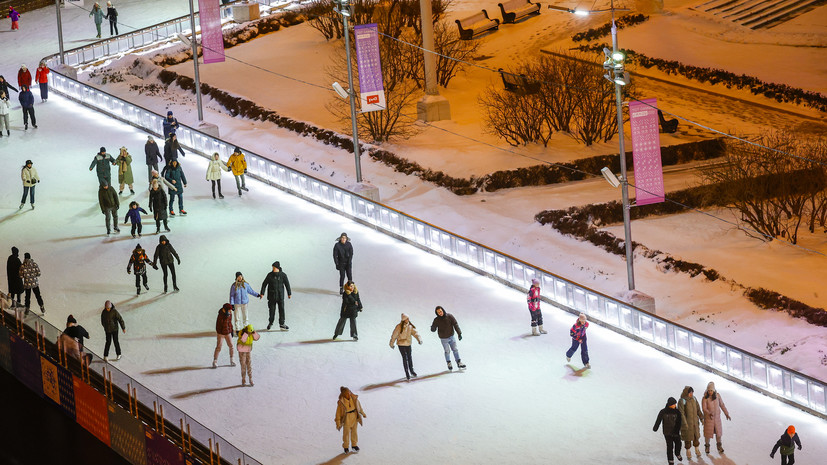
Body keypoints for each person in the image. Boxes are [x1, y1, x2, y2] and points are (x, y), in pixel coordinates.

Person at [430, 305, 465, 370]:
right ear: (437, 313)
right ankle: (449, 363)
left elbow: (455, 324)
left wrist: (459, 333)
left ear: (443, 310)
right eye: (438, 312)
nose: (440, 313)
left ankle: (459, 362)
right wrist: (432, 328)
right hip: (443, 338)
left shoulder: (449, 316)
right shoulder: (436, 320)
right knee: (447, 351)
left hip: (451, 336)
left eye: (440, 311)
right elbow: (433, 327)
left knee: (455, 349)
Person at [260, 261, 291, 330]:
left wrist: (289, 293)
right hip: (272, 297)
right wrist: (262, 293)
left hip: (280, 296)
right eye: (272, 267)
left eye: (274, 267)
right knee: (271, 311)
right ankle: (270, 323)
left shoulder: (283, 275)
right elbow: (264, 284)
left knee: (281, 310)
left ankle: (282, 324)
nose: (273, 268)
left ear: (277, 268)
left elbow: (287, 284)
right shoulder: (269, 275)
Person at [389, 313, 422, 380]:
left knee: (409, 357)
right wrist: (391, 343)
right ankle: (407, 372)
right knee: (405, 358)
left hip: (408, 344)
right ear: (403, 320)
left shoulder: (410, 326)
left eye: (408, 318)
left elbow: (415, 333)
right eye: (406, 318)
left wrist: (419, 339)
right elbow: (394, 335)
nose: (408, 319)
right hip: (401, 345)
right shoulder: (398, 327)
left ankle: (411, 371)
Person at [701, 381, 731, 454]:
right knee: (708, 434)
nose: (710, 392)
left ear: (714, 390)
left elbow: (722, 405)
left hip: (717, 419)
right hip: (709, 419)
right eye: (709, 390)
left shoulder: (717, 396)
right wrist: (709, 413)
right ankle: (707, 446)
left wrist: (726, 413)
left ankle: (719, 446)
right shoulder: (705, 398)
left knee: (718, 434)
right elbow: (704, 409)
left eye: (711, 390)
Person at [335, 387, 366, 454]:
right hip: (347, 418)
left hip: (354, 417)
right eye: (347, 393)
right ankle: (346, 446)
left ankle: (354, 445)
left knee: (354, 432)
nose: (349, 394)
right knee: (346, 433)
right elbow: (338, 413)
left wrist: (362, 413)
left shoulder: (354, 399)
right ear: (343, 394)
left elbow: (359, 407)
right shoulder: (341, 402)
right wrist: (338, 422)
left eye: (349, 392)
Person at [653, 397, 683, 465]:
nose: (675, 405)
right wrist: (655, 427)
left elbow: (679, 422)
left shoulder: (677, 412)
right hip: (667, 432)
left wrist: (677, 430)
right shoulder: (663, 411)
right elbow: (658, 420)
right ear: (669, 404)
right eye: (673, 404)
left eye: (675, 404)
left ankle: (677, 453)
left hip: (675, 432)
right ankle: (670, 460)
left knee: (678, 443)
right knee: (670, 446)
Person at [678, 386, 704, 459]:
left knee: (696, 437)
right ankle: (688, 451)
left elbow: (698, 410)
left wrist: (702, 418)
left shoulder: (694, 399)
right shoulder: (682, 401)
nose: (691, 394)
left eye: (692, 392)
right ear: (686, 393)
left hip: (695, 423)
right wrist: (684, 423)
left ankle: (697, 450)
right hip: (687, 424)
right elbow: (681, 413)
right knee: (688, 438)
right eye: (690, 392)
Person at [213, 303, 236, 368]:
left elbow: (230, 323)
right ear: (225, 310)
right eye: (229, 310)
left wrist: (231, 330)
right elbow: (218, 325)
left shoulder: (230, 314)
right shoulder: (220, 315)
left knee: (231, 345)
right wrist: (219, 333)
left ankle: (232, 360)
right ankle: (215, 361)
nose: (230, 311)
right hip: (221, 334)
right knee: (219, 347)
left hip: (228, 332)